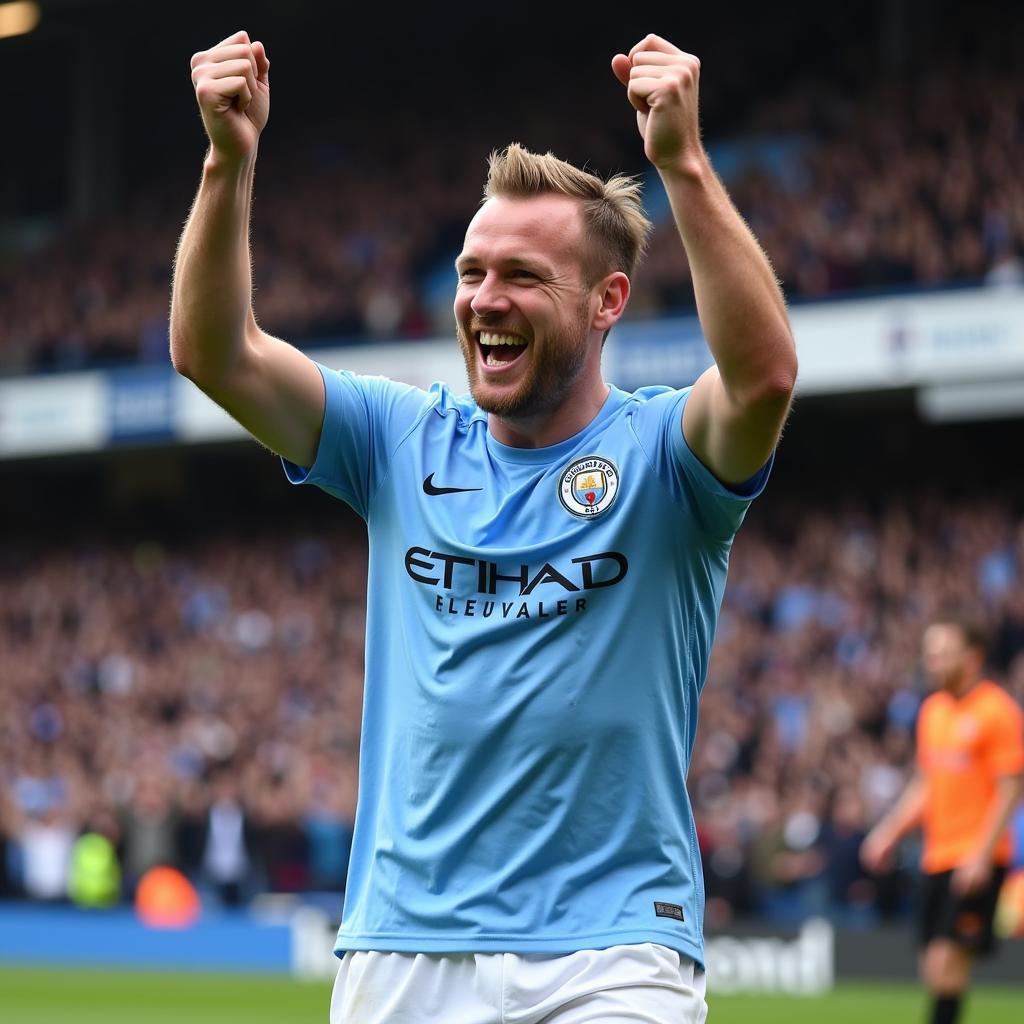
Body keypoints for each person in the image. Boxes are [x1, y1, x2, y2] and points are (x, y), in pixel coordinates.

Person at [172, 29, 796, 1024]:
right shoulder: (398, 437)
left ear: (607, 302)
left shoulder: (667, 457)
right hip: (402, 946)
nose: (482, 300)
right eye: (470, 271)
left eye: (520, 276)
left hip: (611, 949)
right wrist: (225, 160)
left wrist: (680, 161)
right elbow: (215, 352)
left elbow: (763, 376)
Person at [861, 619, 1024, 1024]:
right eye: (930, 652)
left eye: (942, 653)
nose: (932, 661)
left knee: (944, 962)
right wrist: (888, 833)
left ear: (972, 658)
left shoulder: (996, 710)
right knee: (933, 968)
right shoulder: (932, 711)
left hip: (974, 857)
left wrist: (982, 856)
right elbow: (926, 785)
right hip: (936, 856)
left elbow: (1010, 789)